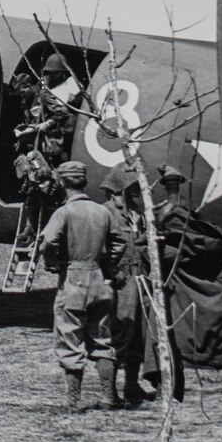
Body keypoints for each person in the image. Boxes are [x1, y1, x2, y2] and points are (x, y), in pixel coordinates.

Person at [38, 161, 128, 410]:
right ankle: (108, 396)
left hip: (73, 278)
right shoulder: (103, 212)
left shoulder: (64, 213)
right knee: (102, 339)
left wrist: (53, 263)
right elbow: (120, 241)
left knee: (69, 337)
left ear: (63, 183)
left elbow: (48, 241)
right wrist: (109, 266)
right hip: (100, 279)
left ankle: (74, 400)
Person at [99, 166, 151, 406]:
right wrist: (111, 273)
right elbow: (100, 249)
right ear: (118, 189)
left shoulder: (139, 214)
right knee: (118, 331)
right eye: (130, 188)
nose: (135, 193)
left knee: (139, 332)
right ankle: (109, 392)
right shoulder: (106, 213)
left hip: (141, 277)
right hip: (120, 281)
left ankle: (131, 384)